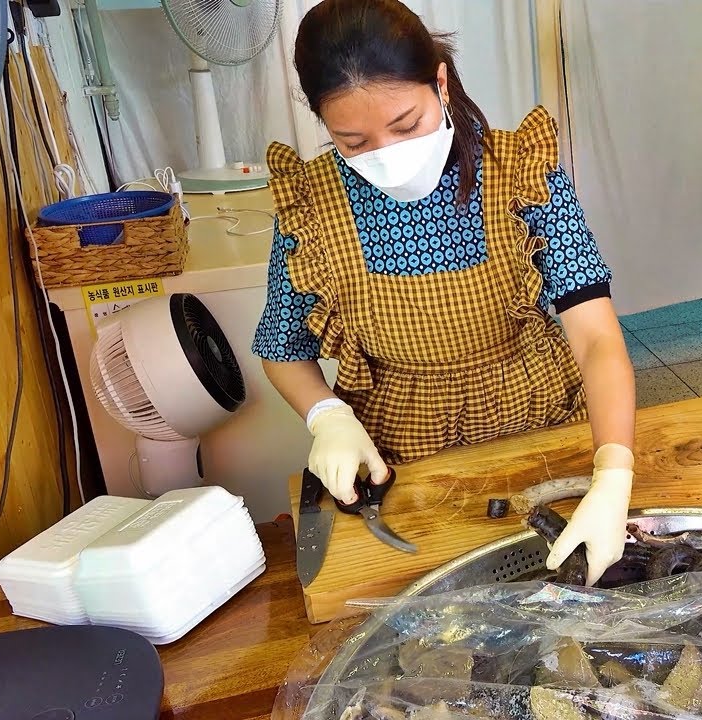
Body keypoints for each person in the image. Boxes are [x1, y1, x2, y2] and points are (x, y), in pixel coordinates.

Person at [251, 0, 636, 585]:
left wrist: (613, 473)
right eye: (352, 142)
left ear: (440, 81)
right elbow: (283, 347)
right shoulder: (312, 202)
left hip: (537, 416)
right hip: (401, 449)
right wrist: (326, 415)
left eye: (406, 125)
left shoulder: (519, 171)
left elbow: (596, 337)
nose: (385, 155)